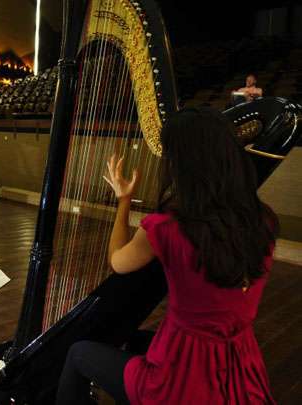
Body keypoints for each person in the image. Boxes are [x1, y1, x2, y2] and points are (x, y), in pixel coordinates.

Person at [56, 107, 277, 404]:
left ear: (181, 164)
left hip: (183, 374)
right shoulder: (264, 220)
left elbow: (118, 262)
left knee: (78, 353)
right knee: (132, 339)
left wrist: (123, 202)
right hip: (239, 361)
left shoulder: (167, 227)